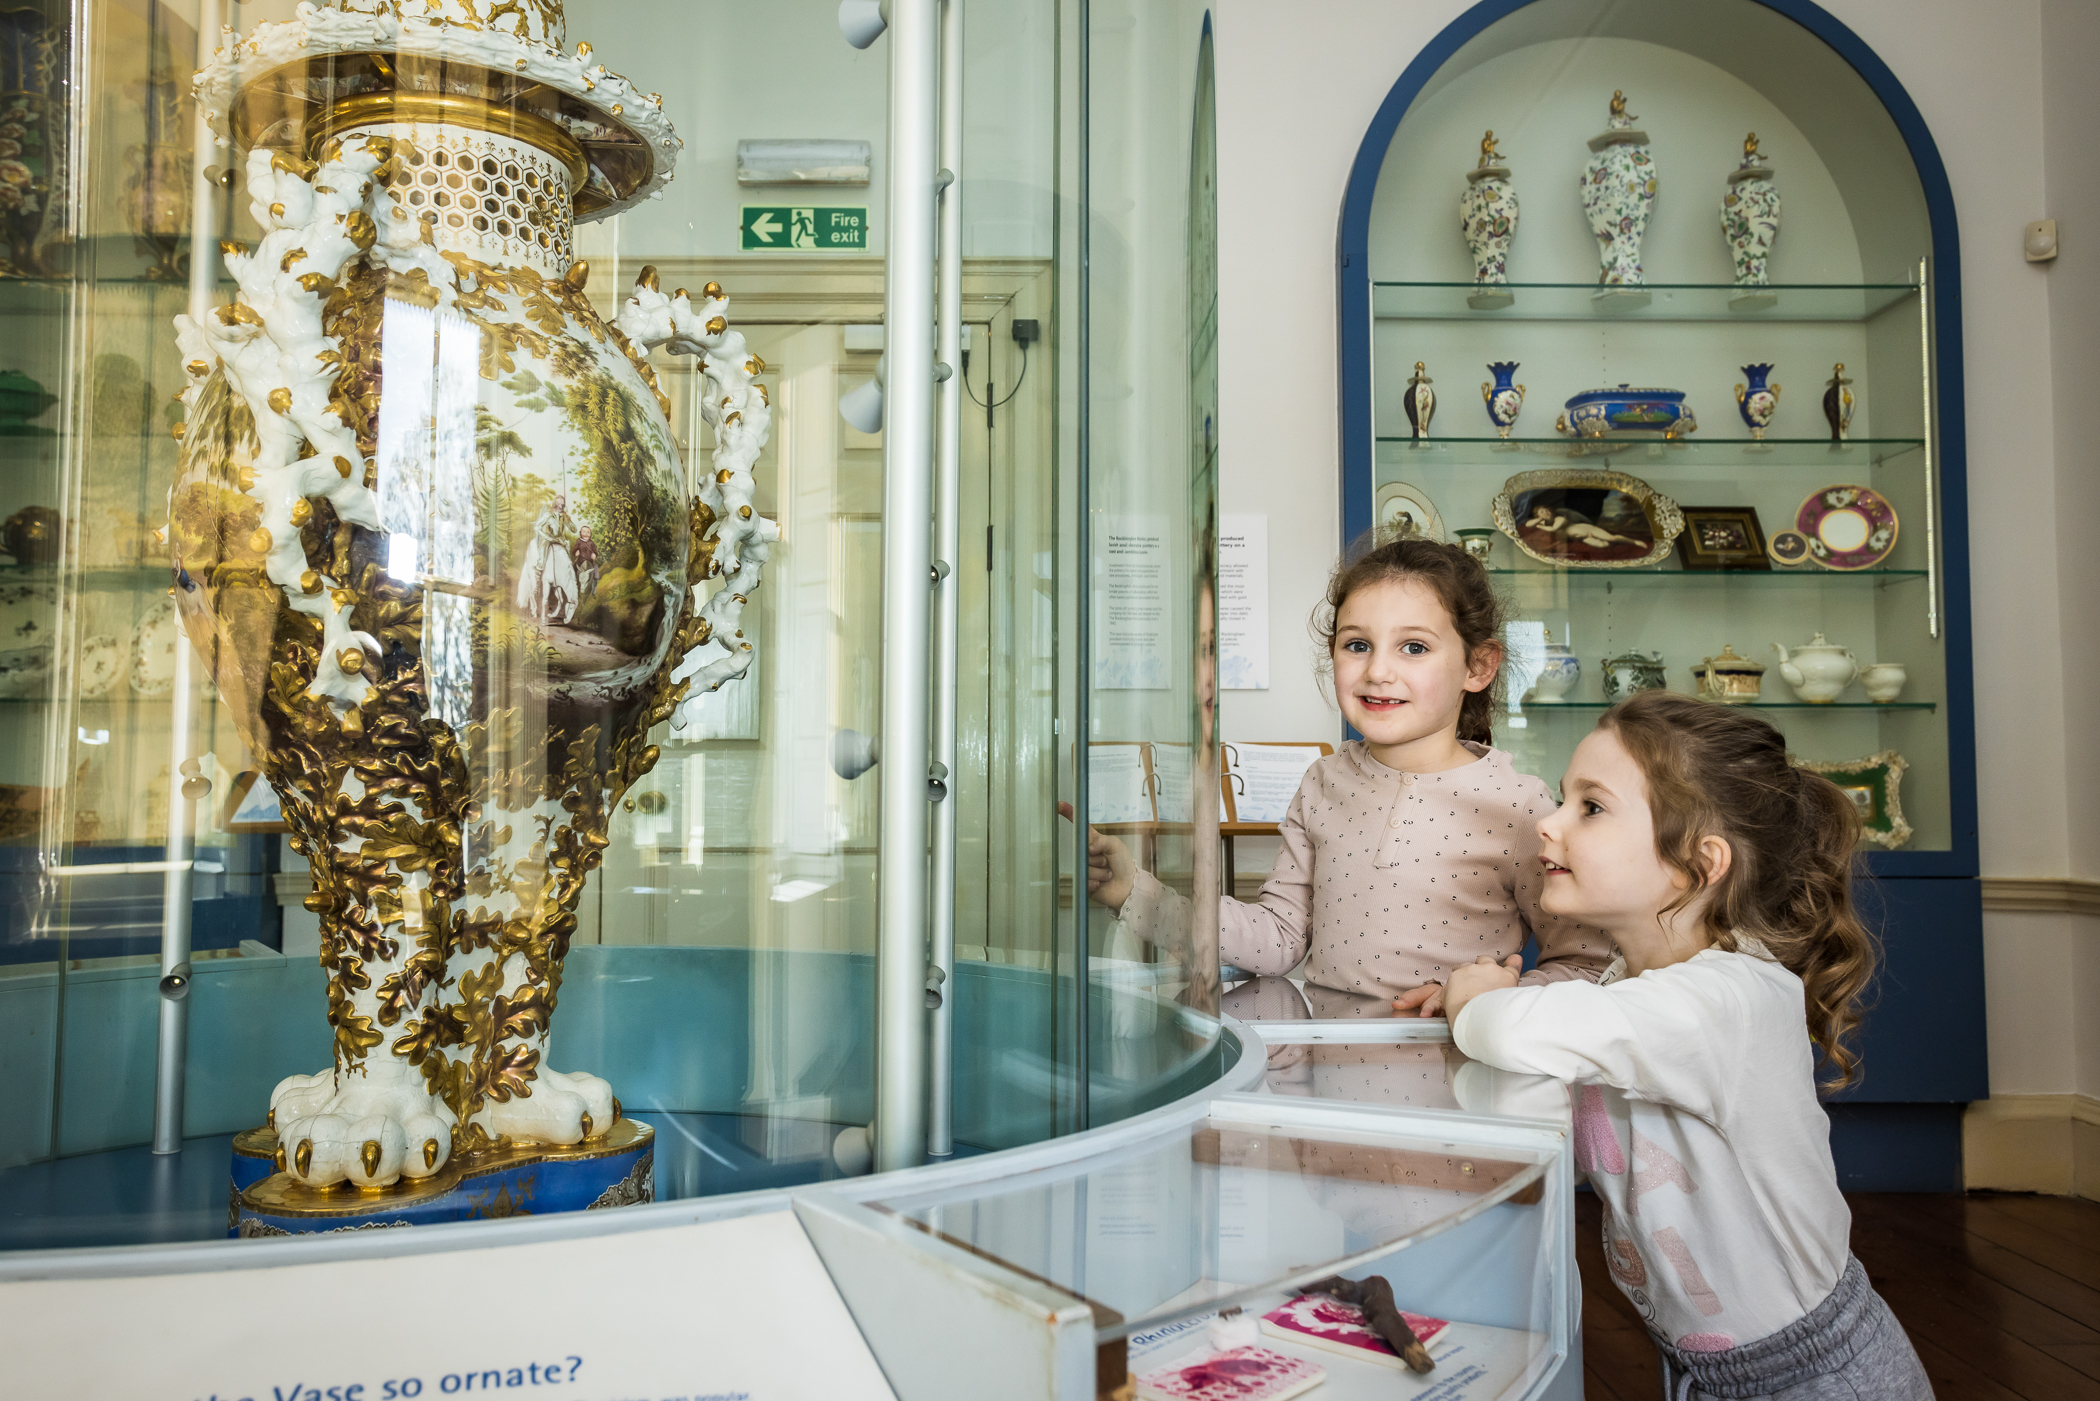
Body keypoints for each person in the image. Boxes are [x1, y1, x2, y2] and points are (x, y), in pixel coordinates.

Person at [1442, 691, 1931, 1400]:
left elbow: (1511, 1027)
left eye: (1592, 807)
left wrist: (1473, 1000)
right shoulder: (1629, 985)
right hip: (1708, 1365)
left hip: (1816, 1378)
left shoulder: (1728, 999)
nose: (1547, 822)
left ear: (1700, 864)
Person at [1069, 537, 1612, 1006]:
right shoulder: (1322, 782)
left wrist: (1493, 1001)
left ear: (1479, 665)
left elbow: (1589, 966)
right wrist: (1132, 891)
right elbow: (1277, 938)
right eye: (1357, 645)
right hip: (1330, 1076)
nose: (1378, 671)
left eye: (1414, 647)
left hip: (1459, 1085)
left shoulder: (1522, 807)